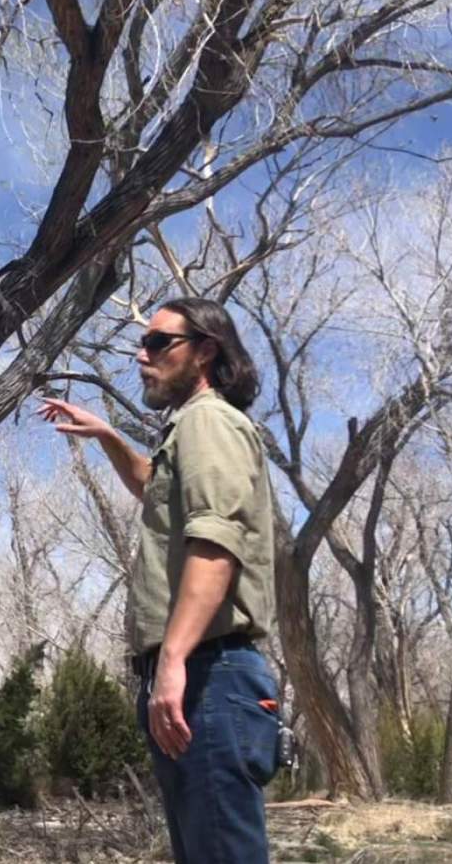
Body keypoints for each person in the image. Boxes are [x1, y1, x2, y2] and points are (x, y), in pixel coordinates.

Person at [39, 297, 280, 863]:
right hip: (197, 674)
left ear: (204, 351)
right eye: (140, 346)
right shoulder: (185, 429)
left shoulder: (208, 421)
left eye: (157, 343)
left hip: (210, 676)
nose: (141, 356)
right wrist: (109, 437)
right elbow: (155, 489)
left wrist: (171, 661)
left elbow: (216, 547)